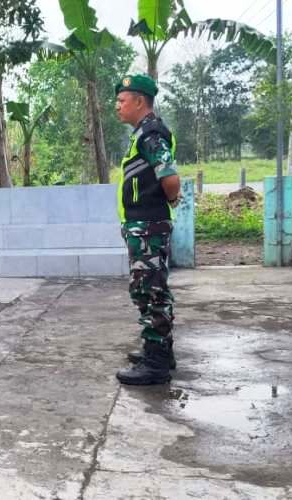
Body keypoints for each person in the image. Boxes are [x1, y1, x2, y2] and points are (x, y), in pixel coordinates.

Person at [113, 74, 181, 386]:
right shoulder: (144, 133)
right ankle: (159, 351)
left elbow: (170, 179)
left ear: (140, 101)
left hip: (149, 226)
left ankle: (156, 364)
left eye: (122, 100)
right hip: (145, 225)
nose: (117, 106)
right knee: (152, 288)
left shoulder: (151, 134)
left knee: (149, 290)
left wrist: (167, 202)